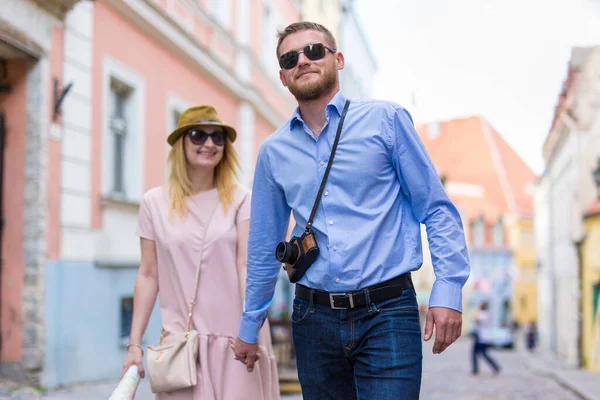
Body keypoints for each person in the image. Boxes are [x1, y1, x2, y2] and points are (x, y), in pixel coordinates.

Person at [231, 21, 470, 399]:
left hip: (388, 312)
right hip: (313, 319)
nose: (303, 61)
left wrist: (448, 287)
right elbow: (263, 246)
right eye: (291, 57)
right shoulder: (273, 153)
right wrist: (249, 324)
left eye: (314, 51)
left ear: (337, 59)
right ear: (282, 76)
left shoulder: (386, 121)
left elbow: (436, 208)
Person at [121, 106, 280, 399]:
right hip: (182, 347)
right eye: (198, 135)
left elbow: (246, 265)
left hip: (237, 341)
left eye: (218, 137)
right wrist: (134, 345)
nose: (209, 144)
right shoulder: (154, 203)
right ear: (180, 142)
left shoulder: (241, 199)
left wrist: (251, 327)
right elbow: (148, 274)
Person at [471, 302, 500, 375]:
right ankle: (475, 369)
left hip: (482, 337)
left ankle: (495, 366)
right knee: (475, 353)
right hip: (480, 336)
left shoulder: (483, 314)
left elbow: (475, 318)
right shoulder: (486, 313)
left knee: (483, 354)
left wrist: (477, 310)